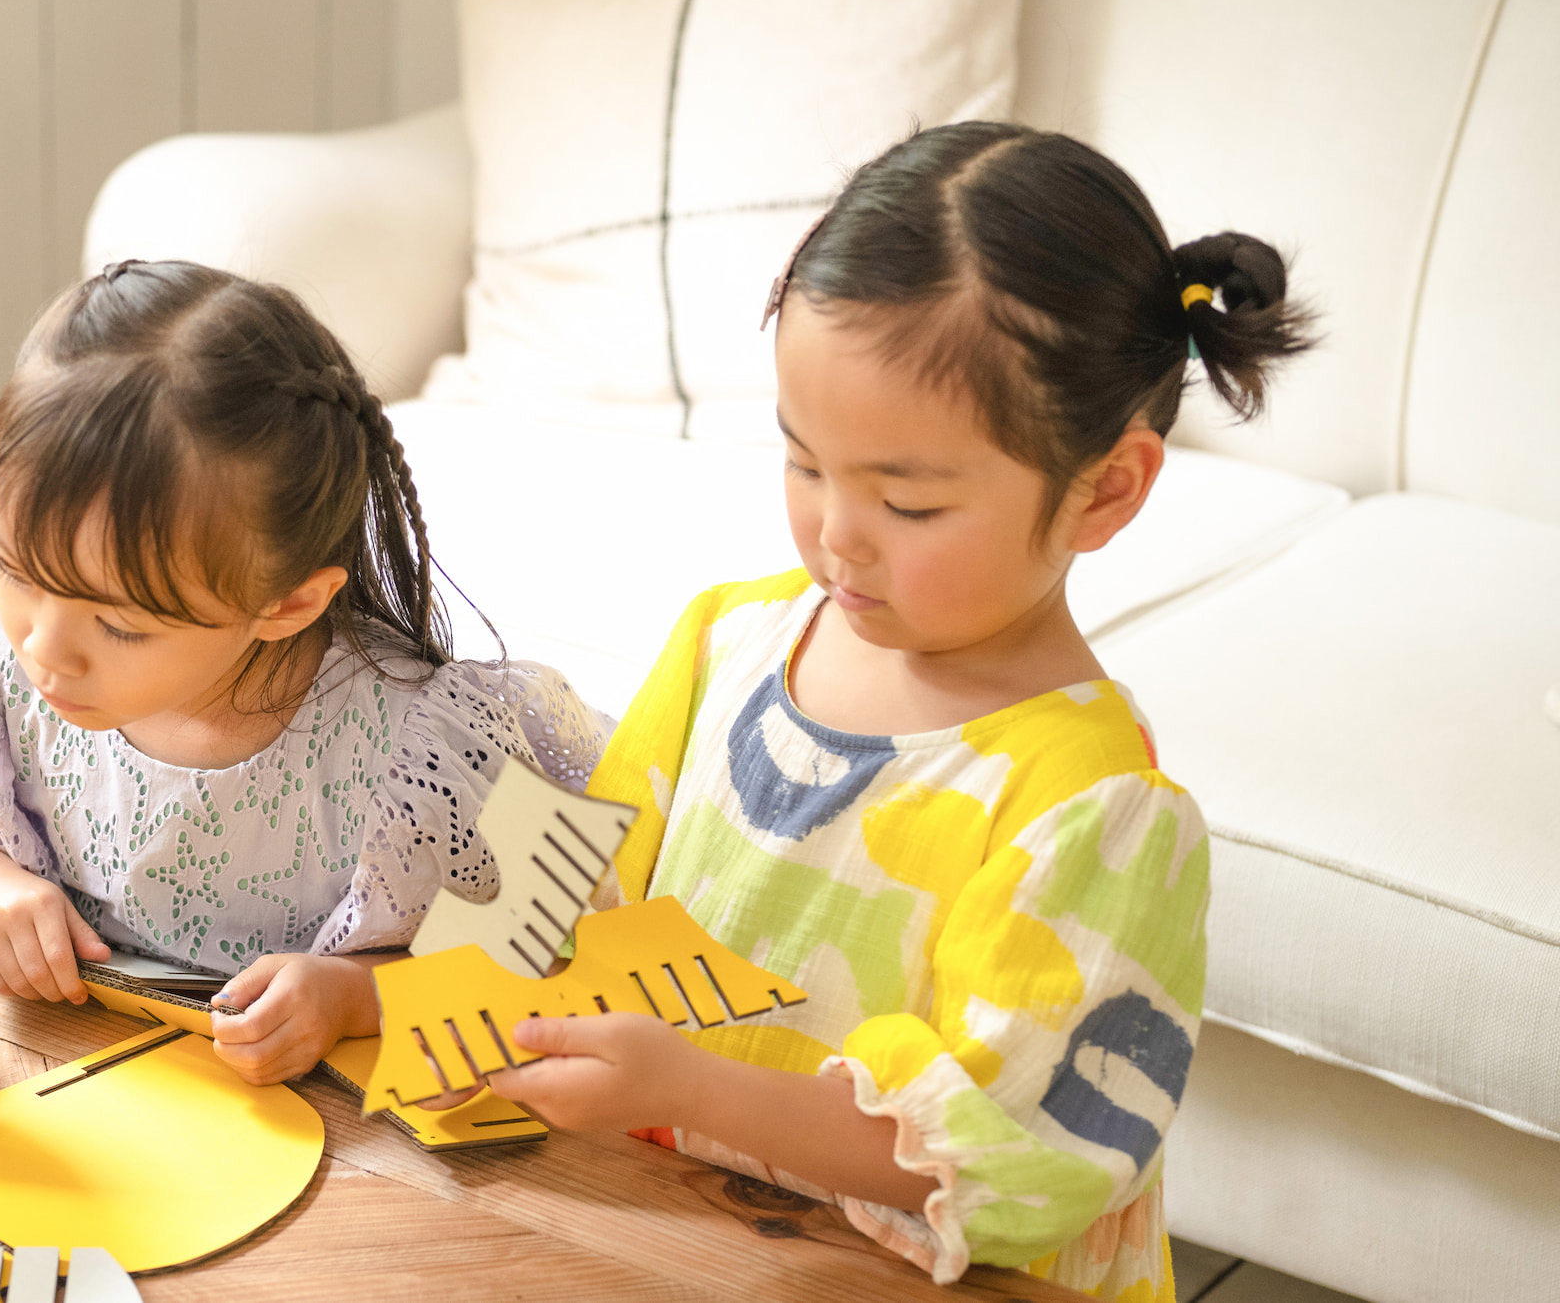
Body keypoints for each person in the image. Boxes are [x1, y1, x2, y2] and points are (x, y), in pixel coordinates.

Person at [477, 123, 1313, 1299]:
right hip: (683, 1238)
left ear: (1104, 488)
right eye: (802, 461)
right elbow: (559, 905)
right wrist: (368, 993)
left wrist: (686, 1087)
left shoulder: (1094, 812)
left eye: (907, 502)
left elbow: (1021, 1163)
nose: (834, 533)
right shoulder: (728, 640)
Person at [0, 260, 606, 1086]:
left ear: (287, 605)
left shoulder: (425, 752)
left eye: (119, 625)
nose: (44, 647)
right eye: (17, 571)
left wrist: (355, 996)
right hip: (56, 1071)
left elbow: (552, 961)